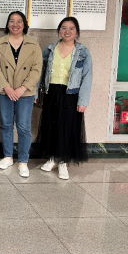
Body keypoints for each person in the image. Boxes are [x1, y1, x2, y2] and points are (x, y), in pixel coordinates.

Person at [37, 17, 92, 180]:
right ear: (59, 30)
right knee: (51, 125)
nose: (67, 31)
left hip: (71, 94)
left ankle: (63, 162)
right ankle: (52, 158)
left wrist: (83, 101)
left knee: (67, 127)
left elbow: (87, 77)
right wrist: (35, 93)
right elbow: (40, 72)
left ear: (77, 31)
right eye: (63, 28)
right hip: (52, 92)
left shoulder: (83, 52)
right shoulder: (50, 49)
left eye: (71, 28)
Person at [0, 11, 43, 178]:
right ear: (7, 24)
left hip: (25, 92)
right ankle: (8, 156)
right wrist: (7, 87)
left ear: (24, 24)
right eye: (12, 21)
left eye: (19, 21)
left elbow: (37, 69)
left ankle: (23, 161)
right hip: (5, 91)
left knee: (23, 127)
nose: (15, 24)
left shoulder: (33, 44)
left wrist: (22, 88)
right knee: (6, 124)